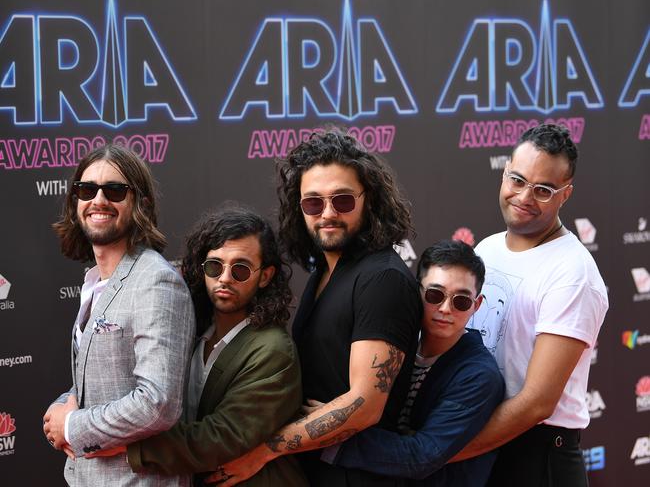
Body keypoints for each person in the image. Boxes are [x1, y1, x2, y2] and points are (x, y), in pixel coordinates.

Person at [211, 129, 421, 486]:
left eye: (342, 200)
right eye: (312, 202)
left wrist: (265, 451)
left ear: (369, 199)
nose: (327, 214)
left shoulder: (383, 278)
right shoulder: (326, 268)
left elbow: (366, 405)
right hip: (319, 469)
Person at [88, 207, 308, 486]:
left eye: (240, 269)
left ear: (265, 276)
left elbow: (222, 435)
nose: (225, 278)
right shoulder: (189, 328)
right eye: (215, 266)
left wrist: (129, 448)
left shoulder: (274, 350)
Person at [458, 123, 608, 486]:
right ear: (505, 172)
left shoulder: (573, 273)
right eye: (517, 180)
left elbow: (538, 402)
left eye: (543, 190)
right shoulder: (486, 250)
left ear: (565, 194)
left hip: (537, 457)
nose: (524, 196)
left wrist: (442, 449)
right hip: (483, 447)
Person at [42, 143, 195, 486]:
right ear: (75, 202)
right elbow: (103, 377)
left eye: (114, 190)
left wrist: (71, 426)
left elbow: (157, 403)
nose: (98, 200)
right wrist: (60, 408)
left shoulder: (155, 280)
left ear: (140, 202)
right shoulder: (95, 280)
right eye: (86, 189)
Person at [324, 240, 504, 486]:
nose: (445, 308)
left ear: (477, 305)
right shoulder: (398, 344)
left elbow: (422, 456)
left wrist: (327, 433)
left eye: (461, 301)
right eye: (434, 294)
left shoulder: (479, 376)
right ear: (417, 291)